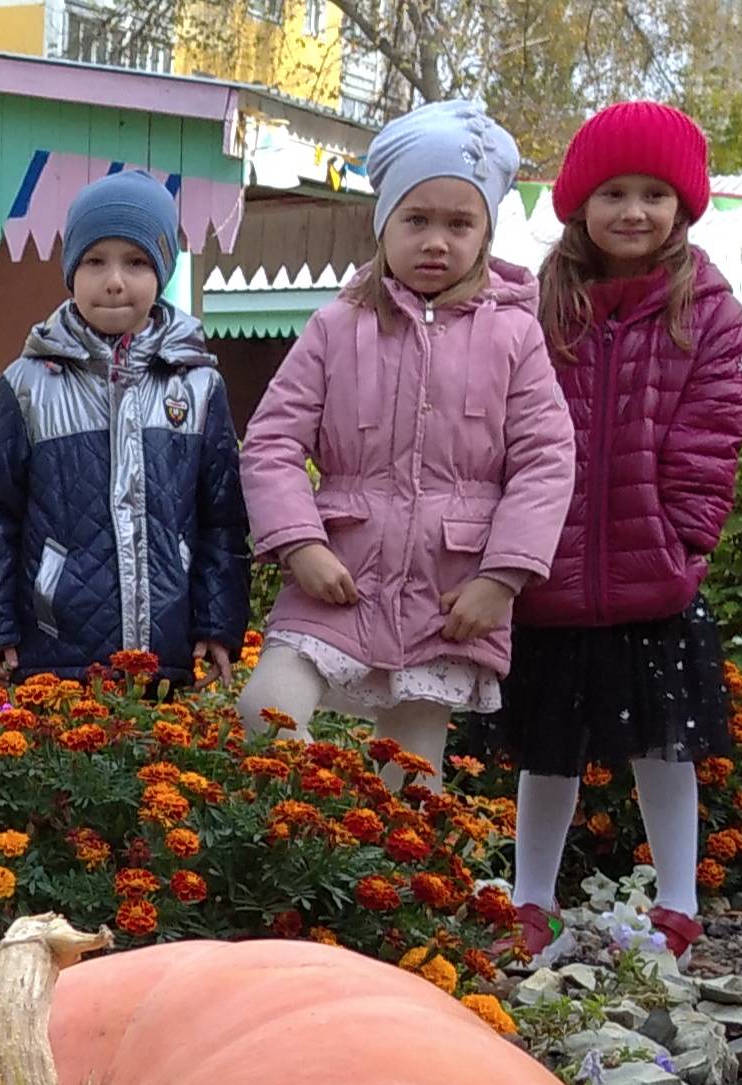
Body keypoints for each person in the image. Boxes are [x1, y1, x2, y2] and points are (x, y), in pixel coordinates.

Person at [237, 99, 575, 787]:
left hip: (450, 597)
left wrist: (500, 579)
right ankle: (322, 827)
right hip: (336, 580)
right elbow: (271, 439)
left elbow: (545, 460)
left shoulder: (515, 334)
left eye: (459, 223)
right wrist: (299, 542)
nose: (435, 242)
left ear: (485, 233)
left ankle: (387, 890)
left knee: (410, 775)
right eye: (416, 219)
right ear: (383, 223)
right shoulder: (336, 326)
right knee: (263, 707)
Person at [497, 102, 742, 964]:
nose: (633, 212)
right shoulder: (538, 307)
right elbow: (507, 426)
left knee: (661, 744)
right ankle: (529, 898)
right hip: (552, 572)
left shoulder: (706, 309)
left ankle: (675, 905)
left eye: (654, 193)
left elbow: (711, 434)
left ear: (683, 207)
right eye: (613, 192)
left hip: (655, 577)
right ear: (578, 204)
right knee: (548, 748)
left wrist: (682, 540)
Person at [0, 170, 246, 695]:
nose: (114, 280)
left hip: (167, 653)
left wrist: (217, 621)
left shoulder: (199, 386)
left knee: (160, 776)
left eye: (136, 262)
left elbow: (222, 520)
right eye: (95, 261)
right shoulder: (26, 384)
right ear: (71, 271)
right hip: (54, 650)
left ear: (162, 270)